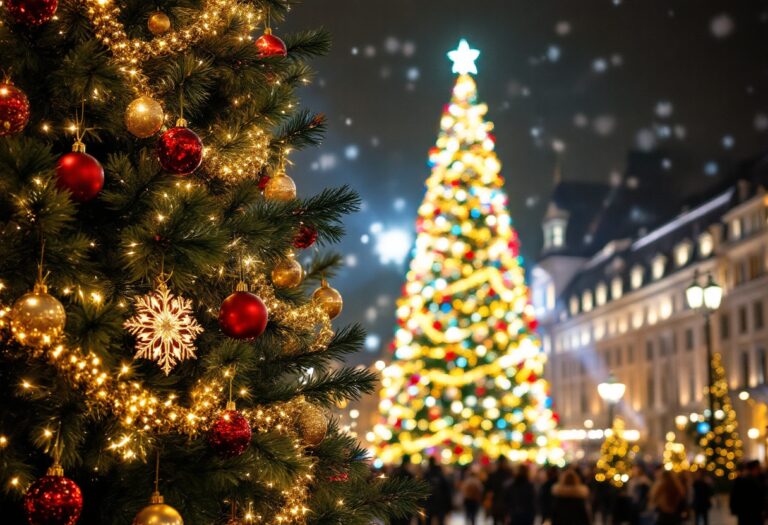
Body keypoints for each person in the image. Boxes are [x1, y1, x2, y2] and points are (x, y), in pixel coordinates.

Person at [730, 460, 765, 525]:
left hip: (750, 513)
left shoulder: (757, 479)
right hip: (749, 513)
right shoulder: (743, 480)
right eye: (758, 469)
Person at [423, 457, 452, 525]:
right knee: (440, 521)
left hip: (429, 504)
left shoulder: (426, 474)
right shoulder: (440, 474)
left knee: (428, 522)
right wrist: (449, 506)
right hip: (440, 504)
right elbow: (446, 491)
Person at [485, 455, 511, 525]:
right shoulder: (508, 475)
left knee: (497, 521)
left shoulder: (493, 475)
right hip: (501, 504)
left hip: (499, 504)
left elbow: (487, 490)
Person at [391, 456, 415, 525]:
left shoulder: (394, 472)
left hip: (393, 505)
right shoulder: (409, 475)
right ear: (408, 463)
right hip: (405, 507)